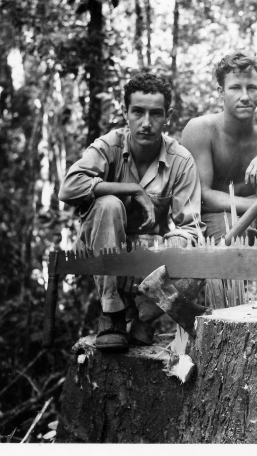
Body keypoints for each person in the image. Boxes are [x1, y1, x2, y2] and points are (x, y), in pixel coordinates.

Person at [59, 73, 205, 351]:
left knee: (193, 249)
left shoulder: (180, 160)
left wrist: (164, 253)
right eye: (137, 112)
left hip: (149, 264)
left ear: (168, 116)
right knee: (108, 203)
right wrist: (131, 190)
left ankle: (143, 315)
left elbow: (191, 227)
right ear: (125, 113)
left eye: (155, 114)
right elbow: (68, 189)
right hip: (103, 255)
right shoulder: (108, 146)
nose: (146, 123)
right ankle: (112, 316)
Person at [181, 52, 257, 297]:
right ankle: (228, 292)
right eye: (235, 88)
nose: (245, 97)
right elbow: (202, 196)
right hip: (221, 217)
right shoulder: (201, 129)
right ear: (220, 92)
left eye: (252, 88)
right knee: (230, 288)